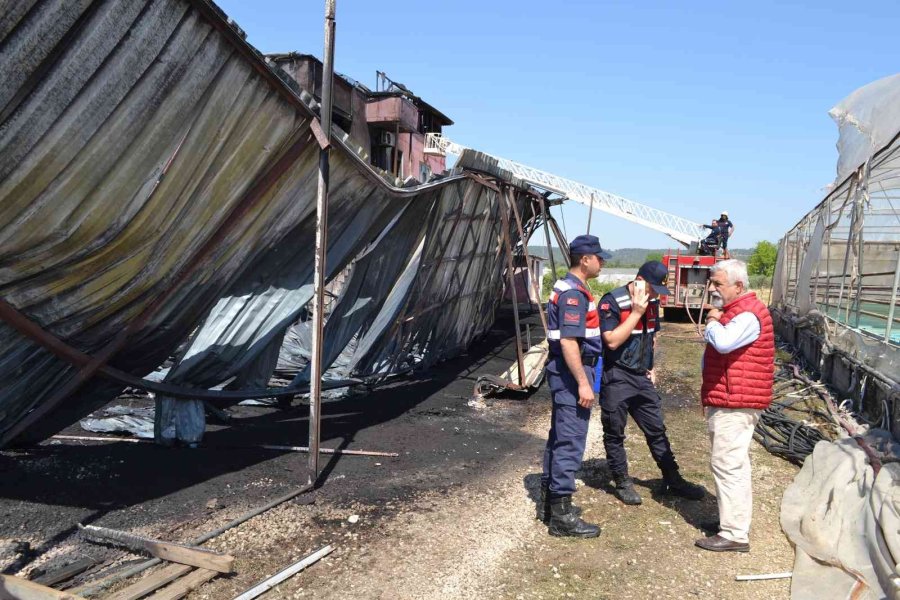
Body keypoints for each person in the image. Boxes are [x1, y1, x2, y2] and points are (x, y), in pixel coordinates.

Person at [598, 261, 705, 505]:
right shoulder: (612, 301)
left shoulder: (652, 302)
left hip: (641, 377)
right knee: (615, 432)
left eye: (659, 290)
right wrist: (636, 312)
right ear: (639, 280)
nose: (656, 294)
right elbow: (611, 341)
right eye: (653, 288)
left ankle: (673, 479)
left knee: (656, 429)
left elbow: (652, 336)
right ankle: (622, 482)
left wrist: (651, 366)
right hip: (617, 376)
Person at [694, 259, 774, 553]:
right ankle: (731, 523)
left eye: (718, 284)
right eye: (712, 283)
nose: (712, 289)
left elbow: (724, 343)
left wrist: (712, 321)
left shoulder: (748, 314)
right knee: (730, 462)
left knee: (728, 464)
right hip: (731, 398)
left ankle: (734, 533)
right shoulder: (740, 311)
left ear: (738, 286)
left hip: (736, 401)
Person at [537, 234, 611, 538]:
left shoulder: (569, 287)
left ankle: (549, 504)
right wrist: (583, 383)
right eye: (599, 258)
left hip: (567, 372)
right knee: (570, 440)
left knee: (559, 438)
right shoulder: (573, 294)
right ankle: (562, 517)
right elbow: (569, 341)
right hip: (572, 374)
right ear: (585, 259)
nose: (602, 263)